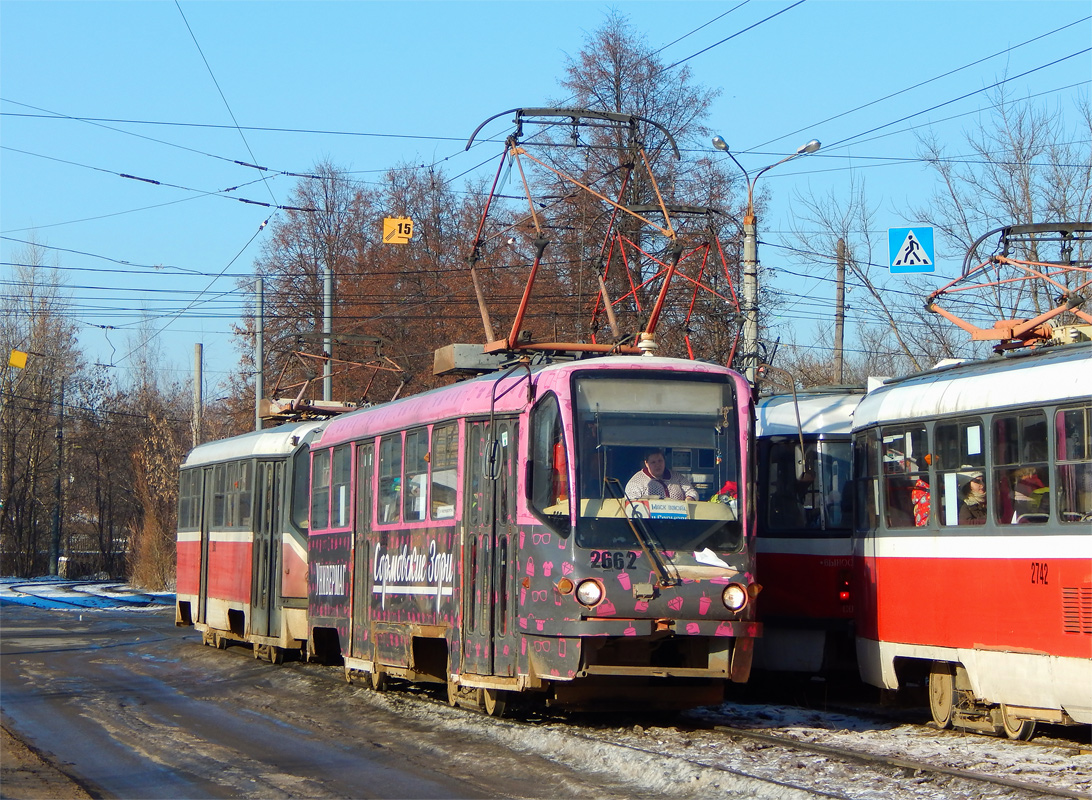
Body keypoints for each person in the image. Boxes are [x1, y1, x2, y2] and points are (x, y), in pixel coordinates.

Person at [625, 449, 698, 501]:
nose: (657, 465)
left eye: (660, 461)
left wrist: (689, 499)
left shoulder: (677, 477)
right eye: (653, 462)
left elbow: (692, 492)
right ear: (646, 463)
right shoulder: (636, 481)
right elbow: (631, 502)